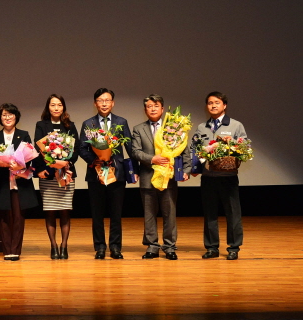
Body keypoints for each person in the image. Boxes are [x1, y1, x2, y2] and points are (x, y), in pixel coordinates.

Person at [79, 88, 138, 259]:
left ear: (113, 103)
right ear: (95, 103)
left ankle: (115, 247)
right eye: (100, 100)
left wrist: (135, 170)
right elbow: (82, 148)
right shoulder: (88, 124)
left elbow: (130, 148)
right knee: (97, 213)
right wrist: (94, 160)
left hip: (117, 173)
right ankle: (100, 247)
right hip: (95, 174)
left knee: (116, 213)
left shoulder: (121, 122)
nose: (104, 104)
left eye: (107, 100)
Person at [131, 94, 190, 260]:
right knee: (149, 214)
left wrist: (186, 169)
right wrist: (152, 159)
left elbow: (184, 150)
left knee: (169, 213)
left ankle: (169, 247)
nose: (153, 109)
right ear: (145, 110)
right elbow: (135, 152)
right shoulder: (138, 129)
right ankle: (152, 246)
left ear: (162, 109)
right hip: (148, 177)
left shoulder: (173, 127)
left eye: (156, 106)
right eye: (149, 106)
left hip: (168, 177)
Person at [191, 91, 247, 260]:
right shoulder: (202, 127)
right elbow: (194, 148)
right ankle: (211, 247)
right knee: (210, 213)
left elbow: (244, 148)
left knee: (233, 213)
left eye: (217, 102)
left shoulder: (236, 125)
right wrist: (194, 167)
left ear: (224, 105)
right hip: (208, 177)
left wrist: (232, 145)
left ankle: (233, 247)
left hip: (228, 177)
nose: (213, 105)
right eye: (210, 103)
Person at [0, 103, 39, 261]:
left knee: (18, 217)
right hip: (2, 183)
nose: (7, 117)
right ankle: (7, 250)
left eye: (10, 114)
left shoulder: (24, 135)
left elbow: (30, 158)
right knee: (3, 216)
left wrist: (20, 167)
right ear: (0, 118)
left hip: (19, 183)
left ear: (16, 117)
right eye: (4, 115)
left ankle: (15, 250)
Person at [34, 94, 80, 260]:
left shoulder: (70, 125)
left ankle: (64, 246)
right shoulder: (41, 125)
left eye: (59, 105)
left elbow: (76, 149)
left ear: (63, 107)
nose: (56, 108)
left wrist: (66, 162)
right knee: (50, 212)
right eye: (53, 105)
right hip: (48, 175)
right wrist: (48, 165)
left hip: (66, 174)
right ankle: (53, 246)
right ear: (48, 107)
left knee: (65, 211)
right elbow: (37, 148)